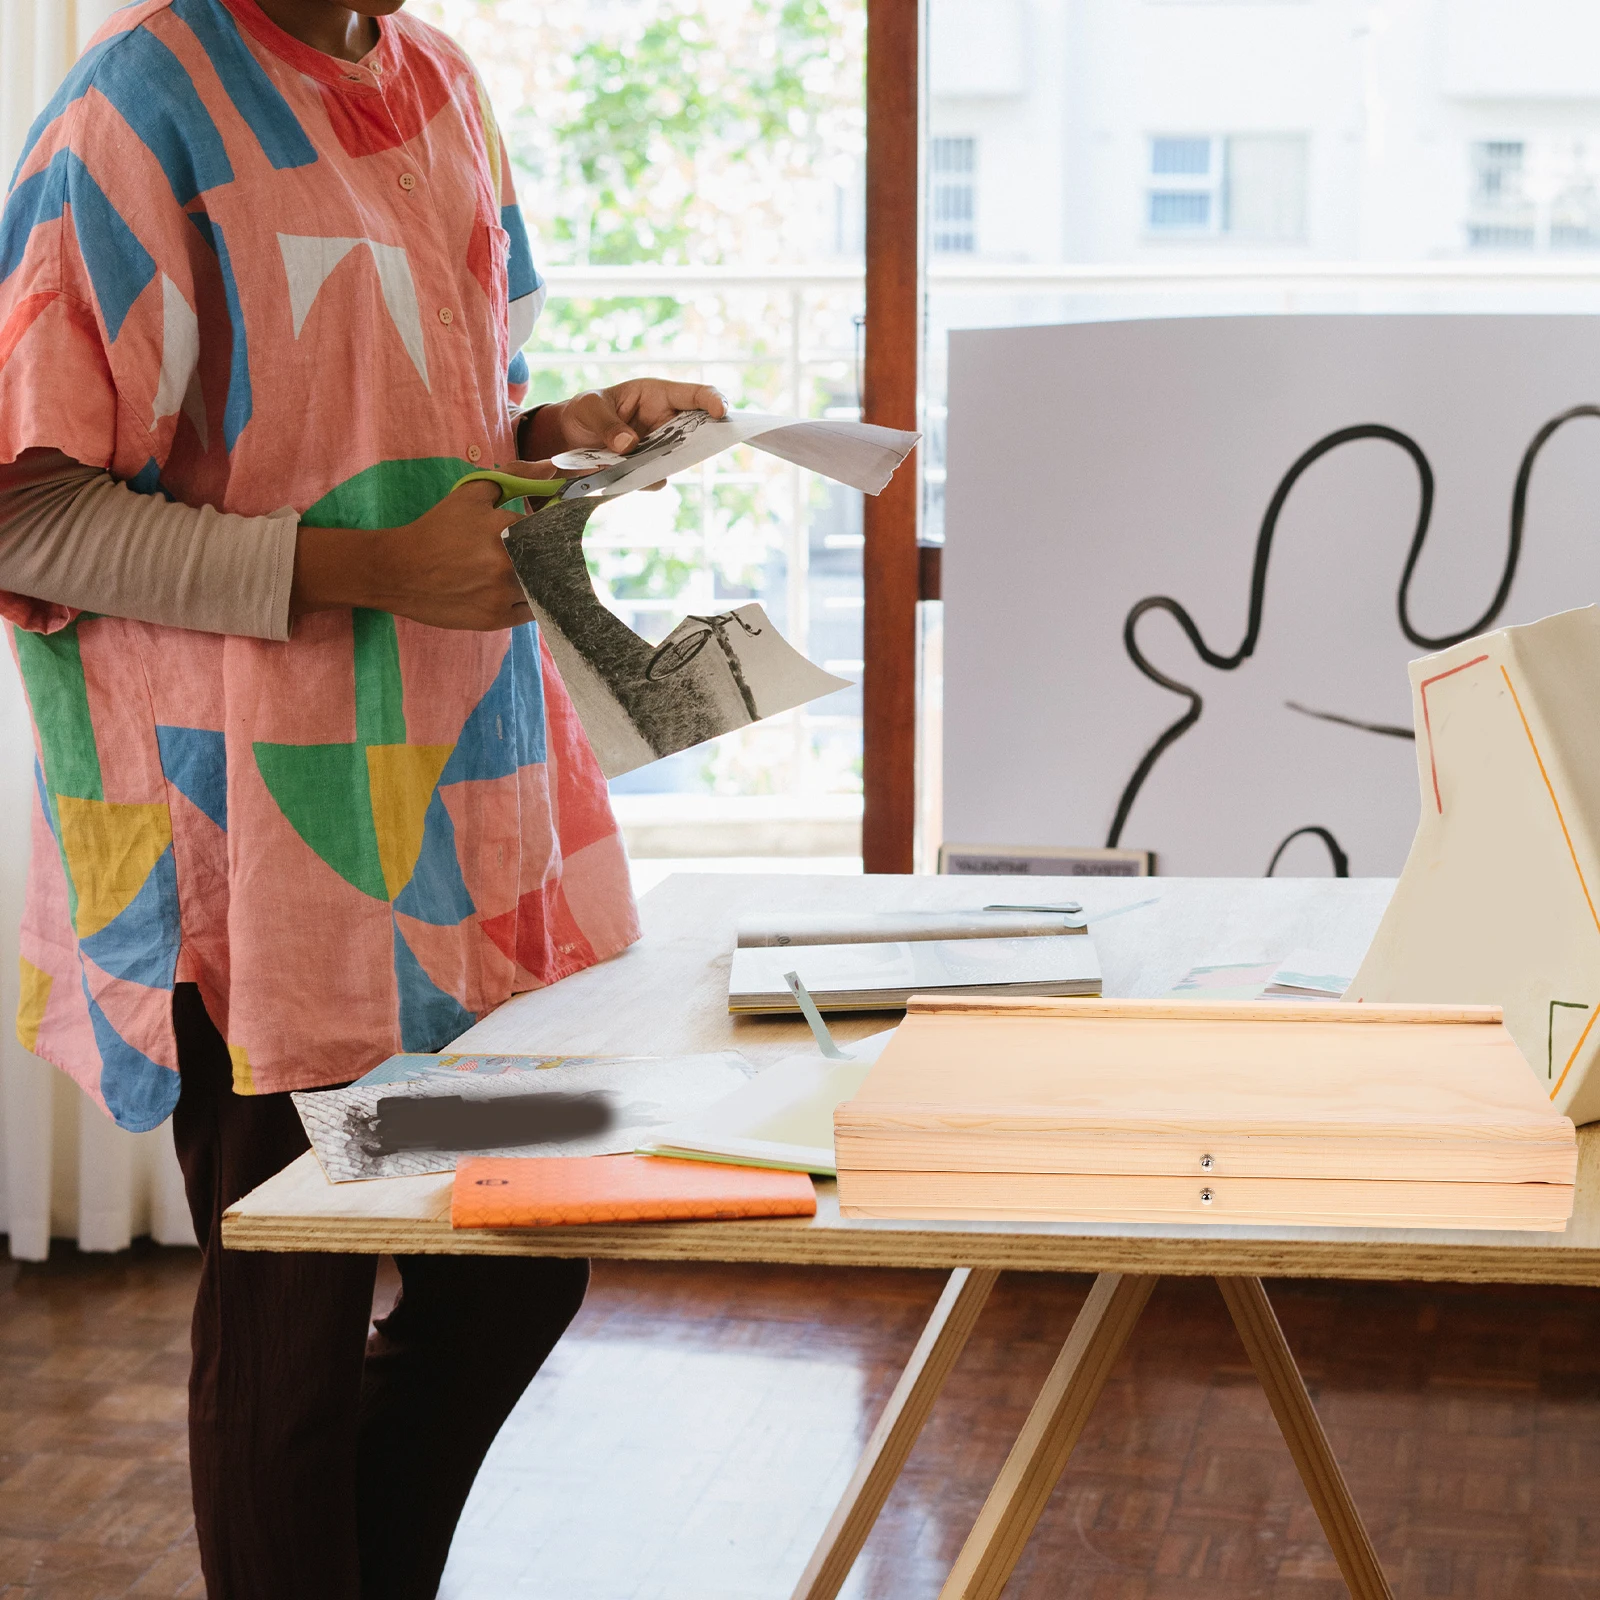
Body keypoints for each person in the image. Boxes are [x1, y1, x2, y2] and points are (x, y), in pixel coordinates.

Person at [0, 1, 723, 1593]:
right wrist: (372, 569)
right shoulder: (140, 103)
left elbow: (417, 424)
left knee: (518, 1267)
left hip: (452, 833)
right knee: (291, 1329)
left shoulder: (438, 83)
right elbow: (24, 513)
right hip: (243, 855)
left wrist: (559, 437)